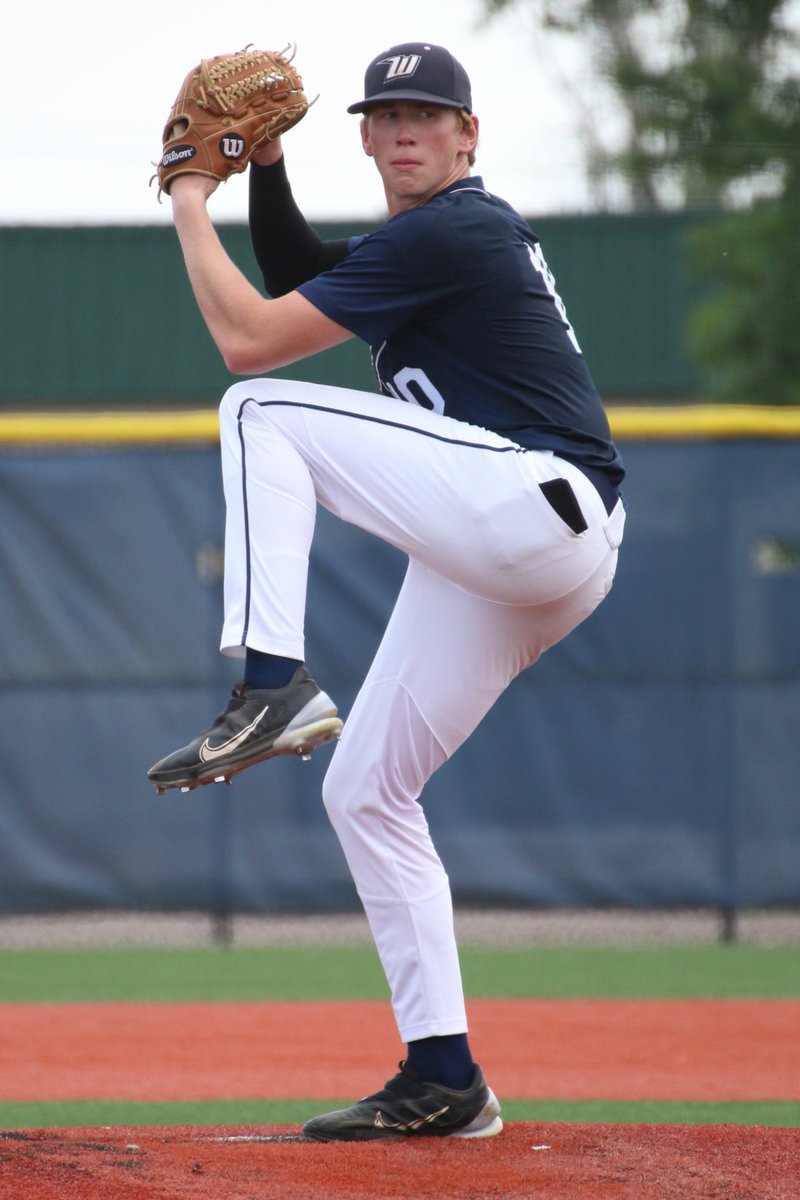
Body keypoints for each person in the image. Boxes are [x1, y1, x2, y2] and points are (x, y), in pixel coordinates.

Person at [148, 41, 625, 1141]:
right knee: (363, 791)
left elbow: (247, 338)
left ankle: (270, 683)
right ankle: (444, 1076)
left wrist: (185, 190)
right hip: (527, 553)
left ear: (468, 137)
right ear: (361, 134)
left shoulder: (458, 225)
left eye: (428, 112)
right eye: (387, 113)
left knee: (257, 409)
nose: (406, 128)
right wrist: (262, 165)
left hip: (533, 503)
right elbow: (298, 268)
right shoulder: (422, 248)